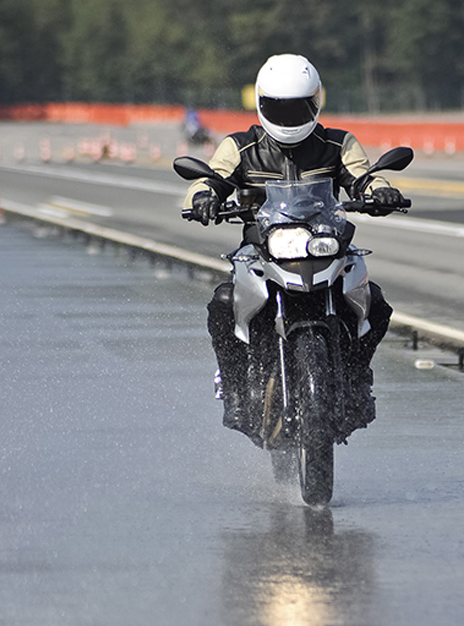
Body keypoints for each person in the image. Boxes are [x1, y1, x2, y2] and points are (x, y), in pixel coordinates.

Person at [181, 53, 405, 442]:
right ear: (263, 103)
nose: (290, 116)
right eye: (281, 108)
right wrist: (202, 198)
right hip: (263, 250)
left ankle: (356, 378)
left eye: (299, 106)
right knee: (222, 304)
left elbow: (361, 177)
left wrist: (379, 191)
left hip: (326, 244)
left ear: (315, 102)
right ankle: (234, 392)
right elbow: (209, 180)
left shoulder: (338, 143)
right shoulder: (239, 147)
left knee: (377, 304)